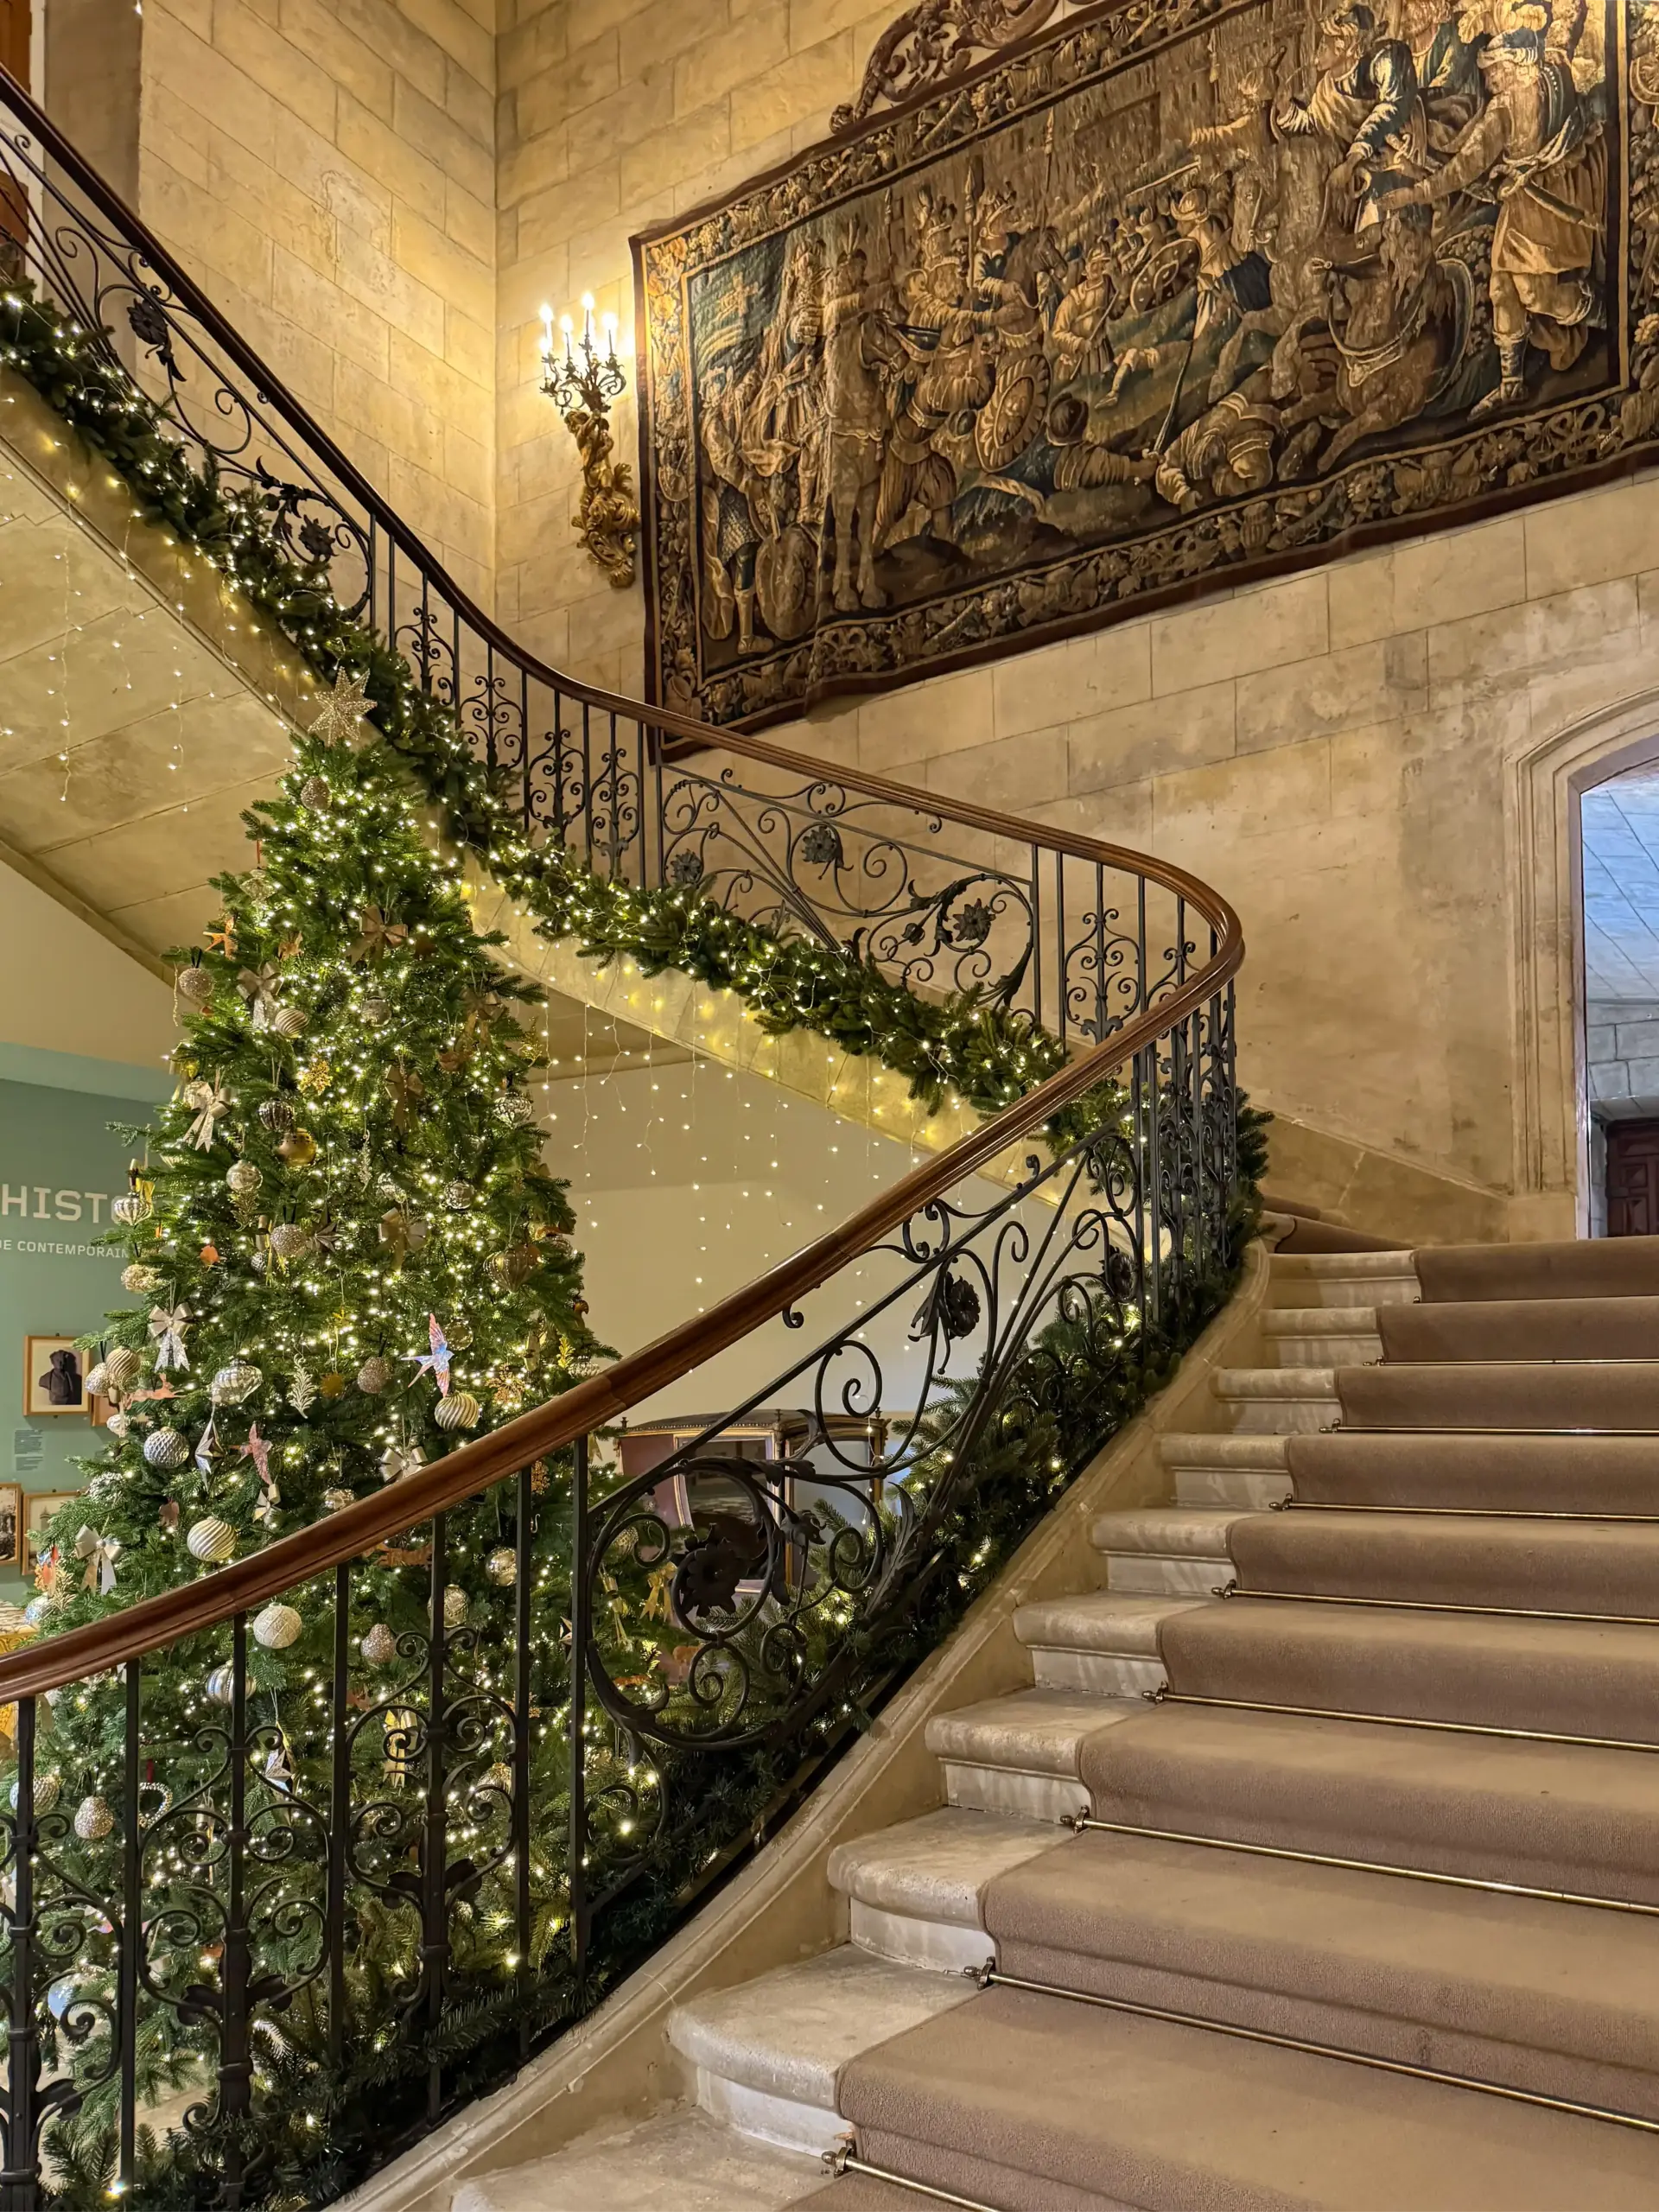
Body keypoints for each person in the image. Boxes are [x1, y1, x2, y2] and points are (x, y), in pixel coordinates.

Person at [1398, 3, 1605, 412]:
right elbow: (1466, 149)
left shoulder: (1506, 107)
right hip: (1538, 196)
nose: (1489, 80)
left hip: (1541, 204)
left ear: (1514, 66)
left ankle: (1600, 313)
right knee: (1502, 288)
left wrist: (1413, 193)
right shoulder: (1551, 75)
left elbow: (1463, 168)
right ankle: (1511, 382)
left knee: (1533, 293)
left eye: (1494, 70)